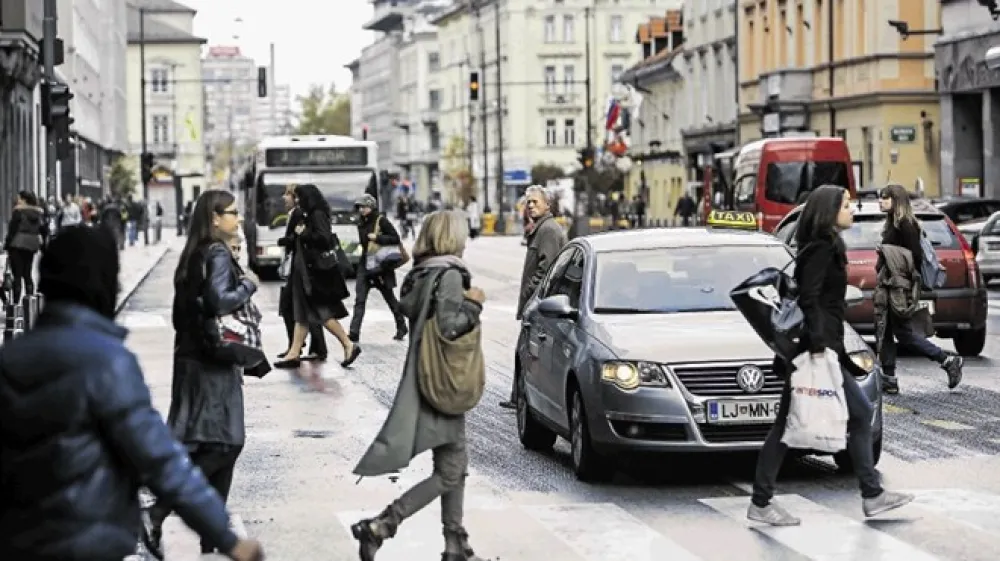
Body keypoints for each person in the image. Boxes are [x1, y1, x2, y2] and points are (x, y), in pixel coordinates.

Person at [0, 225, 264, 561]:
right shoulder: (106, 362)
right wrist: (228, 539)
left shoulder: (10, 359)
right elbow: (159, 461)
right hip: (89, 541)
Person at [748, 184, 914, 526]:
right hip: (814, 351)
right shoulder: (820, 249)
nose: (851, 210)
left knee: (846, 416)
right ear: (828, 211)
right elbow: (808, 299)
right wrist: (821, 347)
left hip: (821, 349)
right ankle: (765, 501)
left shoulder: (828, 245)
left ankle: (870, 494)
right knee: (802, 424)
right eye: (846, 205)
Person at [350, 210, 487, 561]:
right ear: (451, 237)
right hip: (445, 380)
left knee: (454, 465)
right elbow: (450, 326)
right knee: (451, 470)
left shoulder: (420, 272)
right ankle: (382, 524)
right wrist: (473, 304)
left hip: (424, 375)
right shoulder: (451, 275)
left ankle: (455, 544)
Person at [144, 190, 259, 557]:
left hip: (191, 359)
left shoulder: (193, 254)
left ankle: (211, 534)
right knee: (228, 443)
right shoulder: (217, 253)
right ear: (214, 216)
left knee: (209, 443)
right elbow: (219, 301)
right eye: (232, 213)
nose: (237, 219)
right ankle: (156, 513)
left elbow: (183, 314)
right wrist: (248, 284)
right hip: (213, 362)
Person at [876, 184, 963, 394]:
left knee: (903, 333)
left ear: (896, 201)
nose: (880, 201)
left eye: (884, 198)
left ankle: (947, 360)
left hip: (899, 286)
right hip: (890, 284)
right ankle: (889, 378)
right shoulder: (893, 224)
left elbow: (913, 257)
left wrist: (891, 260)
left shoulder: (905, 226)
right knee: (886, 330)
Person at [274, 184, 361, 369]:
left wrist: (303, 233)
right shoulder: (308, 214)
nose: (296, 201)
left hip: (313, 273)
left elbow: (324, 238)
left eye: (298, 197)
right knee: (302, 315)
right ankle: (294, 353)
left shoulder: (317, 215)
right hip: (305, 271)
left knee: (321, 313)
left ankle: (348, 344)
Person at [499, 185, 567, 410]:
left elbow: (545, 269)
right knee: (526, 349)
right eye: (528, 202)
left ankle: (523, 397)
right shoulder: (541, 228)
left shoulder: (547, 230)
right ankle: (519, 396)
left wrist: (529, 295)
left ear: (548, 205)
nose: (530, 205)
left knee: (528, 350)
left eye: (535, 202)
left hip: (539, 303)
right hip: (540, 302)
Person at [277, 184, 328, 361]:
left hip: (304, 267)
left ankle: (300, 348)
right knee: (303, 310)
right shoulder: (299, 214)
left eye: (289, 195)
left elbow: (320, 237)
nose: (285, 198)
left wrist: (292, 238)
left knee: (302, 309)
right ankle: (298, 348)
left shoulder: (306, 214)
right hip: (299, 266)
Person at [348, 193, 408, 343]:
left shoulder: (381, 220)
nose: (361, 210)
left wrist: (378, 238)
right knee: (359, 300)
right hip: (365, 264)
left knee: (389, 298)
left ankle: (401, 326)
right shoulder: (360, 222)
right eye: (360, 207)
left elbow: (396, 238)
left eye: (364, 206)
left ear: (371, 206)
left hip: (381, 266)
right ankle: (354, 332)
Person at [4, 190, 47, 303]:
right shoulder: (38, 213)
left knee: (17, 275)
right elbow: (43, 230)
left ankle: (16, 303)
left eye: (19, 198)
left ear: (24, 200)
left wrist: (7, 245)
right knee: (27, 273)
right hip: (31, 245)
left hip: (17, 244)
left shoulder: (18, 212)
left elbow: (12, 230)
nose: (17, 200)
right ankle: (30, 301)